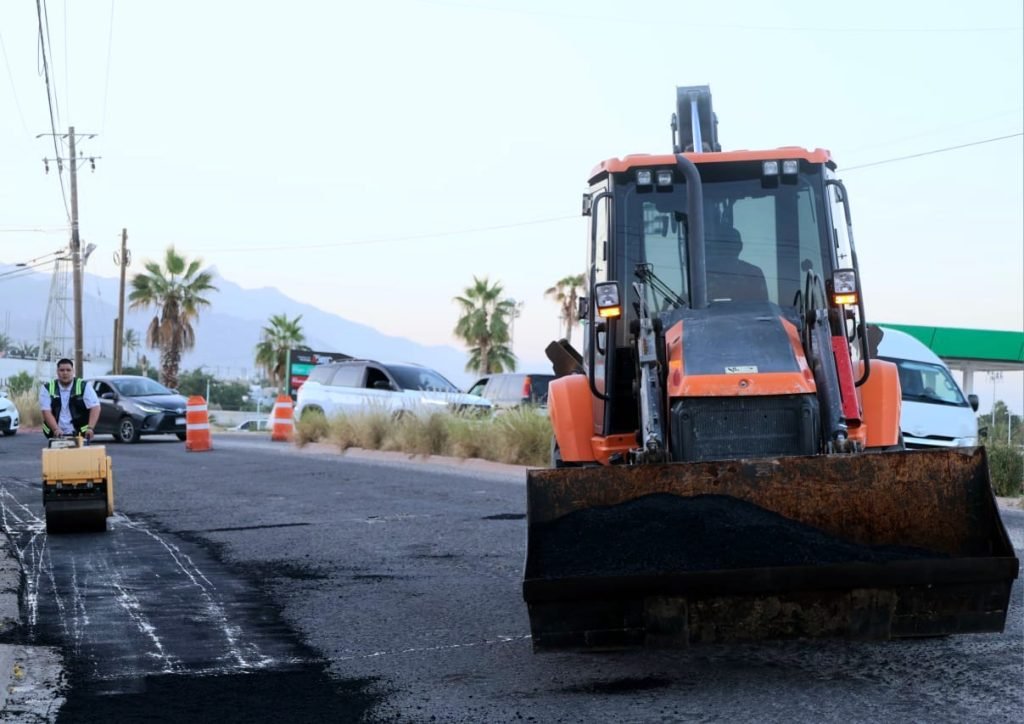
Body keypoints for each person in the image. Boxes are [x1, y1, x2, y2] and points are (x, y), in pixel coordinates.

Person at [39, 358, 100, 440]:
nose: (65, 373)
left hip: (79, 432)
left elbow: (95, 407)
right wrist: (55, 429)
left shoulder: (84, 386)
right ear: (57, 372)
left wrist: (90, 428)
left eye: (68, 370)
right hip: (55, 433)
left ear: (73, 371)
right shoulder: (47, 388)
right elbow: (46, 411)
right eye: (62, 370)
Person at [706, 226, 770, 303]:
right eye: (724, 245)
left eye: (732, 244)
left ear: (740, 246)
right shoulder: (704, 274)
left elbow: (763, 309)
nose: (728, 248)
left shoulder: (754, 274)